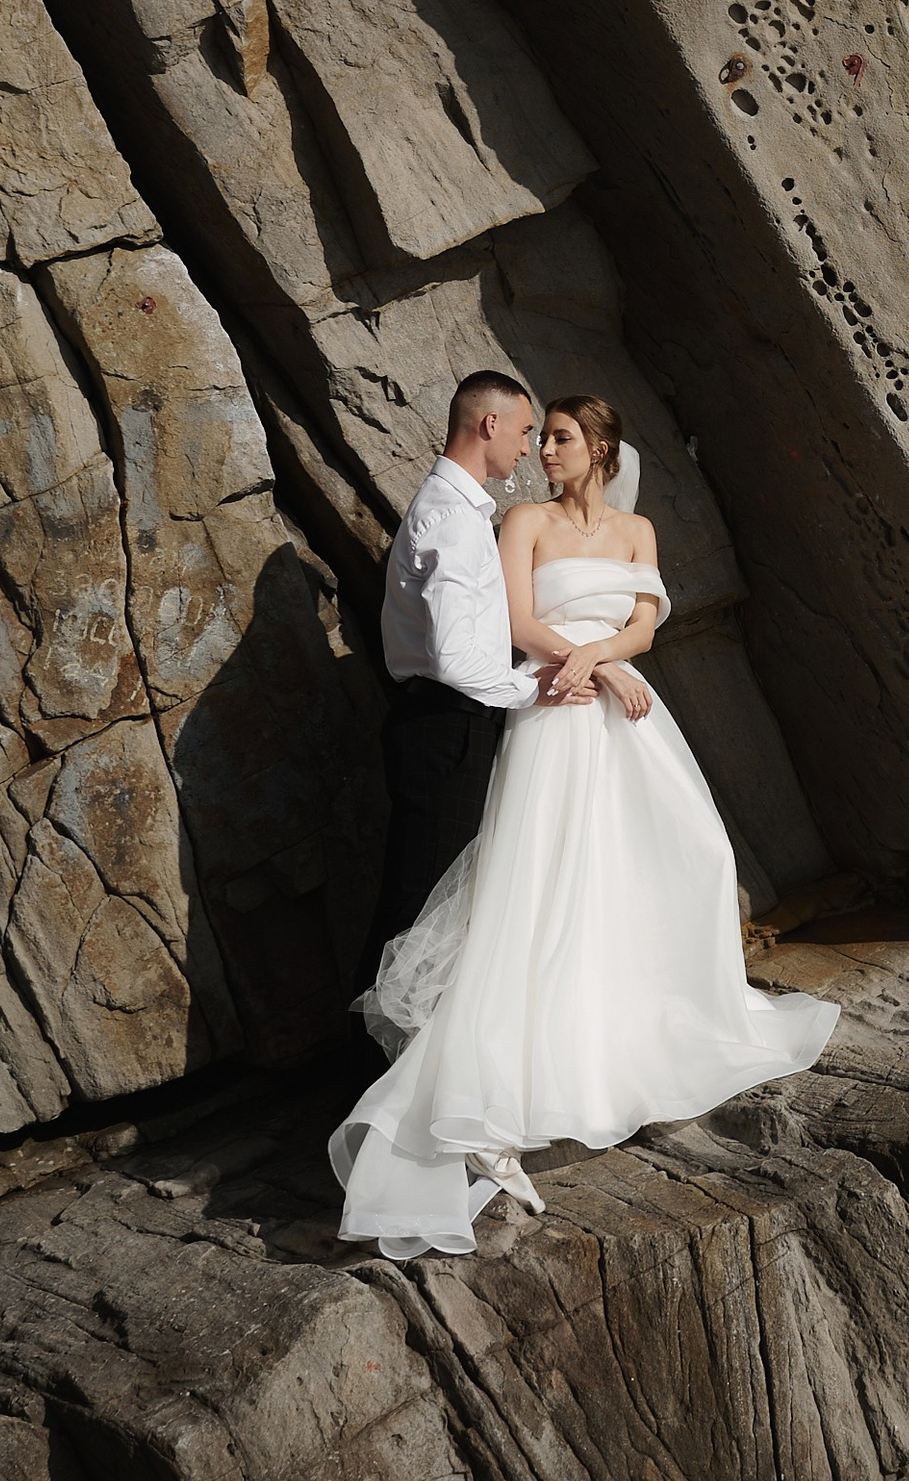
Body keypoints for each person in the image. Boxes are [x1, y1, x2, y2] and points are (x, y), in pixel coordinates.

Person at [333, 389, 836, 1256]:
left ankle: (641, 1024)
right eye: (540, 437)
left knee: (684, 858)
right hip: (551, 710)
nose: (544, 452)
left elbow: (642, 624)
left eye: (560, 439)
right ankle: (504, 1079)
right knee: (543, 879)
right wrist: (581, 667)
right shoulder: (521, 520)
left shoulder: (637, 533)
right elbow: (516, 622)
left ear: (600, 448)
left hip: (621, 705)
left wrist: (601, 661)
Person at [363, 370, 551, 997]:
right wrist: (534, 690)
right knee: (420, 906)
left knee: (433, 899)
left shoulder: (460, 510)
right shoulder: (449, 516)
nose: (527, 447)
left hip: (446, 723)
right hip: (445, 726)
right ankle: (377, 1073)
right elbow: (450, 658)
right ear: (489, 424)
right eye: (524, 431)